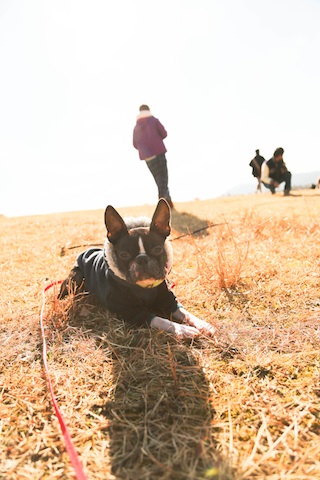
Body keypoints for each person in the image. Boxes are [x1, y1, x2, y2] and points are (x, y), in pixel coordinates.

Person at [133, 105, 173, 208]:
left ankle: (168, 203)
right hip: (158, 152)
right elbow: (164, 134)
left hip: (147, 157)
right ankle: (162, 201)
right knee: (163, 178)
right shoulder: (154, 120)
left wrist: (144, 149)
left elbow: (134, 143)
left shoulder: (137, 126)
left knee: (158, 179)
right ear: (148, 110)